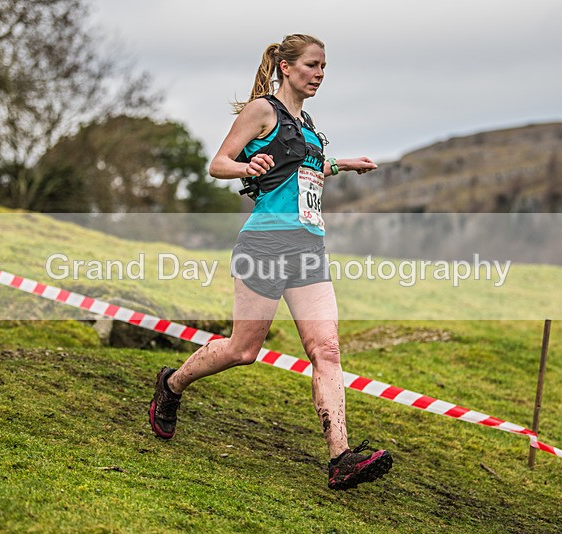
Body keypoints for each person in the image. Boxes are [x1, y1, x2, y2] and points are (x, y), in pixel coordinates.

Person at [149, 34, 392, 490]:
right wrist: (246, 168)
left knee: (327, 350)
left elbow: (301, 168)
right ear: (286, 67)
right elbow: (217, 163)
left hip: (309, 249)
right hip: (264, 246)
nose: (319, 74)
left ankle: (340, 457)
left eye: (324, 67)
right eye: (312, 65)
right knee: (243, 351)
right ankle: (172, 384)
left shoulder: (309, 123)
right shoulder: (262, 110)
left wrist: (341, 165)